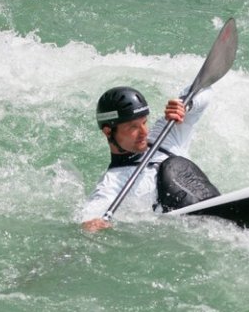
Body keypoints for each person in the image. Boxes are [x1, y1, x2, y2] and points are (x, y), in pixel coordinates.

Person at [80, 85, 217, 232]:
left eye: (144, 122)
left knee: (174, 166)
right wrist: (91, 224)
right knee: (172, 168)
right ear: (108, 132)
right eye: (133, 127)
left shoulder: (166, 135)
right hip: (188, 232)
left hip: (211, 207)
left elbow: (205, 89)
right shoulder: (112, 185)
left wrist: (185, 104)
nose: (144, 132)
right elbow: (90, 215)